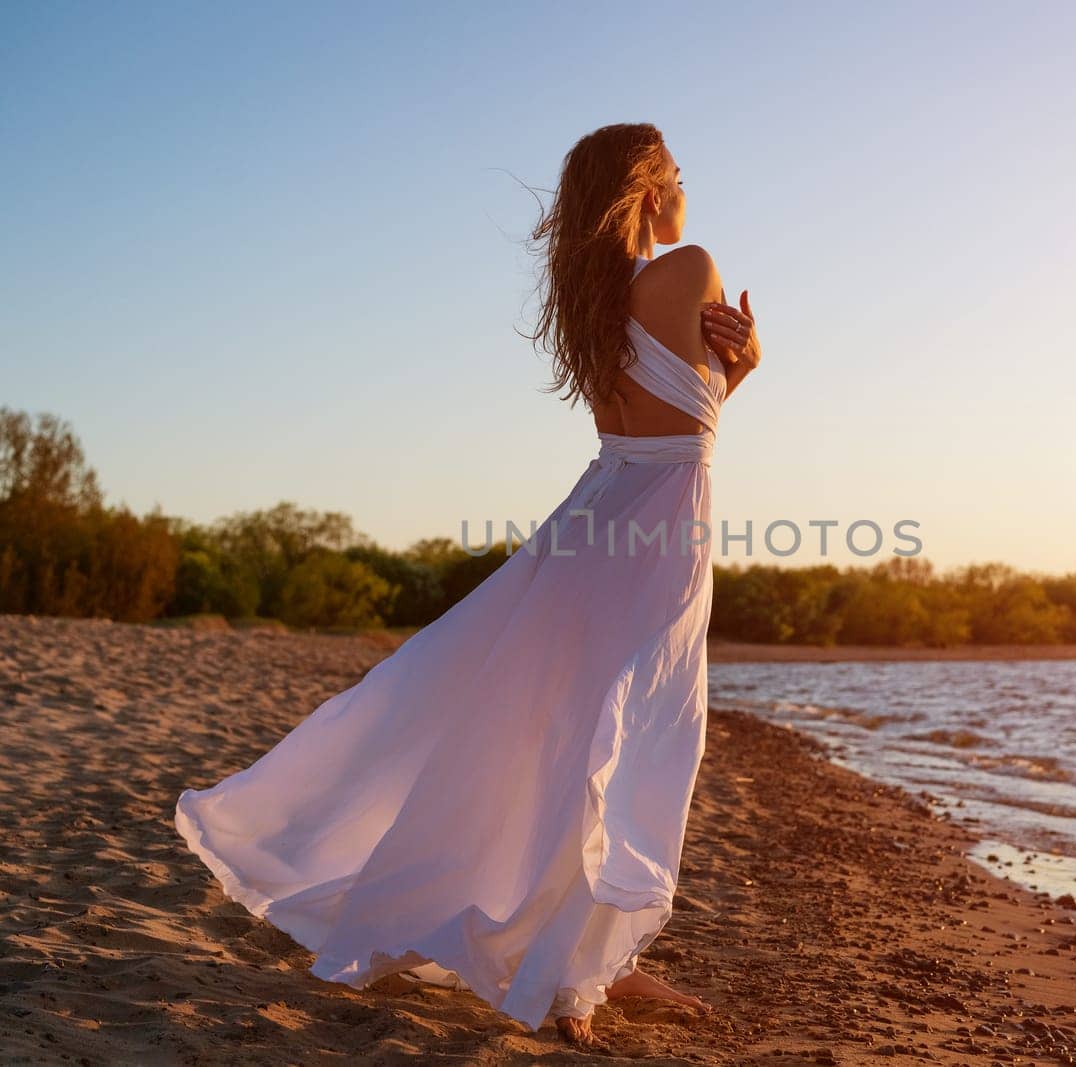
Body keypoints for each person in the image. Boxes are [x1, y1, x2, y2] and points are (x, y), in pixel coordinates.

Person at [172, 122, 762, 1050]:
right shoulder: (689, 268)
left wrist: (729, 369)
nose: (690, 189)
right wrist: (748, 362)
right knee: (634, 728)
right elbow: (701, 412)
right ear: (650, 190)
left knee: (571, 726)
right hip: (657, 529)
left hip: (594, 516)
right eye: (680, 174)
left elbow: (670, 407)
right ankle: (580, 976)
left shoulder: (595, 300)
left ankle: (592, 963)